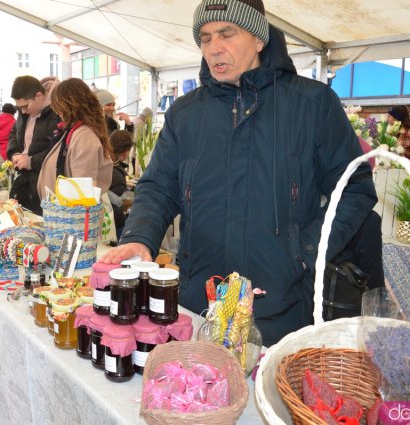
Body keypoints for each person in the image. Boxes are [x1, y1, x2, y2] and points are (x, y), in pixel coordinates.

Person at [100, 0, 377, 346]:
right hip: (198, 305)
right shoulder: (186, 114)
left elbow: (354, 189)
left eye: (226, 34)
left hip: (279, 308)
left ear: (259, 39)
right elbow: (157, 187)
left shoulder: (311, 104)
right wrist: (140, 237)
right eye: (205, 37)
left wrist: (304, 254)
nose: (214, 48)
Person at [37, 78, 113, 199]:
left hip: (73, 215)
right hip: (63, 213)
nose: (58, 113)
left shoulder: (84, 136)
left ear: (69, 106)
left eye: (59, 107)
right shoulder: (74, 131)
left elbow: (83, 192)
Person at [7, 76, 60, 214]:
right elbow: (13, 133)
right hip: (25, 181)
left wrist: (31, 161)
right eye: (19, 108)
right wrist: (15, 154)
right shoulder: (23, 113)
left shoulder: (57, 112)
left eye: (25, 106)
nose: (23, 111)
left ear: (39, 95)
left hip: (46, 185)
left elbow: (58, 150)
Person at [108, 130, 134, 237]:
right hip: (115, 224)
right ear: (125, 153)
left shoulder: (106, 163)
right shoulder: (116, 175)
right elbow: (122, 203)